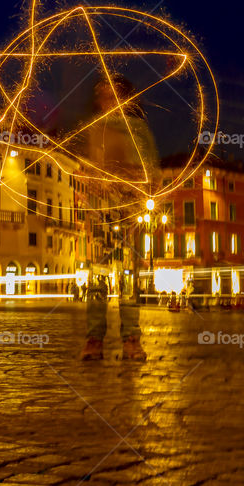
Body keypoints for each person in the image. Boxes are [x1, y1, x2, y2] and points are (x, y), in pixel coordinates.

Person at [76, 75, 159, 362]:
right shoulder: (94, 128)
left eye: (111, 94)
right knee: (96, 278)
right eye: (101, 94)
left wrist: (120, 177)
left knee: (127, 279)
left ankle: (131, 339)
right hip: (99, 215)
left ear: (125, 98)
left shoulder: (137, 130)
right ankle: (94, 338)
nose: (105, 99)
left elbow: (149, 175)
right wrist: (88, 186)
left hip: (125, 213)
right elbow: (89, 170)